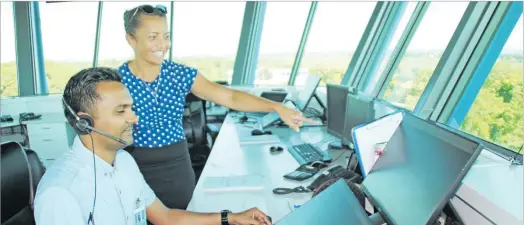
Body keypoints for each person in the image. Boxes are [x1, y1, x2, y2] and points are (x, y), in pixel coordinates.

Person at [117, 4, 315, 210]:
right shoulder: (117, 81)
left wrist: (276, 107)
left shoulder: (179, 74)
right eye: (153, 37)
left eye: (166, 36)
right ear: (131, 39)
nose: (163, 45)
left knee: (183, 216)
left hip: (177, 166)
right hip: (135, 165)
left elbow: (230, 97)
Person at [33, 67, 272, 225]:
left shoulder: (124, 161)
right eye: (121, 111)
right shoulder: (61, 193)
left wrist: (229, 218)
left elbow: (165, 217)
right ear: (84, 122)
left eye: (131, 108)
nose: (134, 118)